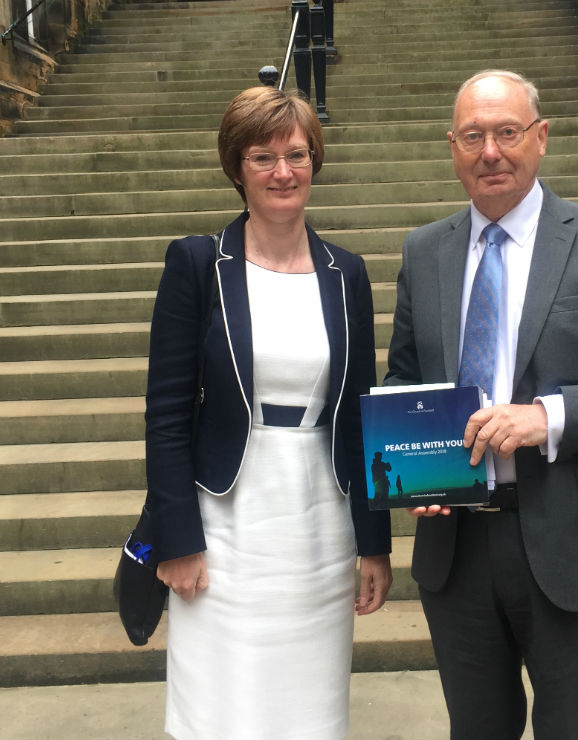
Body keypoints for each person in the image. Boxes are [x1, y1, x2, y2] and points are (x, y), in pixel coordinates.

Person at [384, 70, 578, 739]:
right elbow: (405, 380)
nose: (490, 151)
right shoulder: (424, 251)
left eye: (506, 132)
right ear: (453, 147)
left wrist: (546, 416)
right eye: (473, 136)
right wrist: (415, 470)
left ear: (540, 138)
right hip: (455, 550)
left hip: (572, 546)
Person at [144, 86, 392, 740]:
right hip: (224, 525)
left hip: (319, 524)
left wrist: (374, 542)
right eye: (263, 157)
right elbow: (166, 413)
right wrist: (177, 539)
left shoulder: (347, 273)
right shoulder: (198, 264)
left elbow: (362, 410)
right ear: (237, 168)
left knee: (309, 707)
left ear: (315, 161)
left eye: (297, 154)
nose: (283, 172)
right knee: (221, 705)